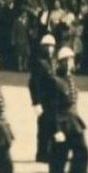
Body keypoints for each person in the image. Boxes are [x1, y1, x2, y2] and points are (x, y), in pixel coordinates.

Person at [45, 47, 88, 173]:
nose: (70, 63)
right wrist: (56, 129)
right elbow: (51, 107)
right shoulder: (54, 81)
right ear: (60, 63)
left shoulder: (70, 78)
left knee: (82, 153)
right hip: (60, 123)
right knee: (58, 158)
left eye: (71, 59)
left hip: (73, 121)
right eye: (66, 60)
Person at [29, 34, 56, 163]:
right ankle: (41, 154)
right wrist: (36, 102)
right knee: (44, 128)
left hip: (53, 100)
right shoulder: (39, 63)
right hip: (44, 100)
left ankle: (49, 152)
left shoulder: (52, 62)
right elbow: (34, 83)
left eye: (51, 47)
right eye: (47, 47)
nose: (50, 49)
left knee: (51, 126)